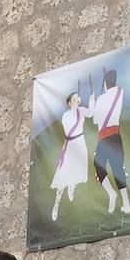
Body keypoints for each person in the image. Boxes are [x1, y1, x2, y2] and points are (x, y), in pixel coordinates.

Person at [85, 68, 130, 215]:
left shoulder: (101, 99)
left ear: (105, 83)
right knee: (118, 169)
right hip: (116, 138)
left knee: (99, 167)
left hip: (104, 139)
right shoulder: (120, 92)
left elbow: (94, 119)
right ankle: (126, 204)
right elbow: (113, 88)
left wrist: (92, 101)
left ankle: (111, 193)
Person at [49, 90, 91, 222]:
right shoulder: (66, 115)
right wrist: (77, 112)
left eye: (78, 98)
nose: (77, 100)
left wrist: (92, 101)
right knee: (63, 175)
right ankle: (56, 205)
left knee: (77, 170)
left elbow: (91, 113)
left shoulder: (82, 111)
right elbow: (68, 130)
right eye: (74, 99)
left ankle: (72, 187)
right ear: (69, 103)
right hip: (71, 145)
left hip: (80, 144)